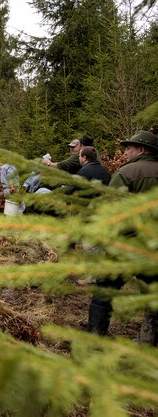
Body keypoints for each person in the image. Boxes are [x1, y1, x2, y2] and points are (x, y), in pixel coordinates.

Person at [87, 130, 158, 345]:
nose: (125, 152)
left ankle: (95, 340)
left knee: (104, 292)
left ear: (142, 149)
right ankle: (148, 342)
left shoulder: (127, 172)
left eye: (129, 148)